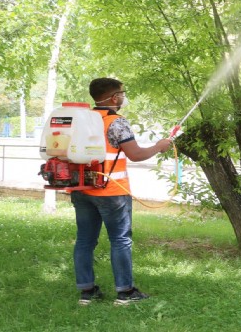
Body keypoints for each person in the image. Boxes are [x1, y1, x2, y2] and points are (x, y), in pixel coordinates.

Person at [72, 77, 172, 306]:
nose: (123, 97)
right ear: (114, 98)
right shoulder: (117, 122)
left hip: (83, 190)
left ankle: (87, 293)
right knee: (120, 240)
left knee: (85, 241)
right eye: (122, 93)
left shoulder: (82, 119)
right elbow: (135, 154)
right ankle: (125, 293)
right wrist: (159, 146)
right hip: (112, 192)